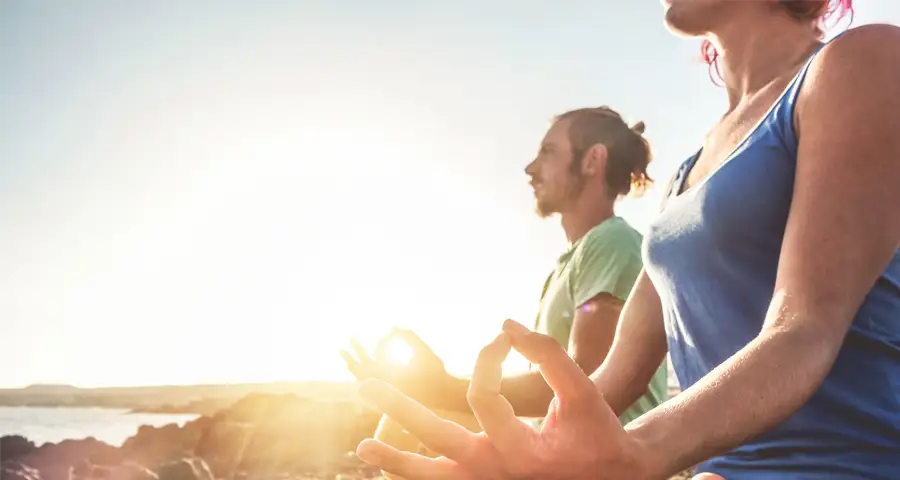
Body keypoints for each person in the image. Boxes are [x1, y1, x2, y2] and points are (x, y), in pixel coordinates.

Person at [351, 1, 900, 479]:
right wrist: (517, 454)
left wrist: (639, 452)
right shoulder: (687, 175)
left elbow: (803, 328)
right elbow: (611, 381)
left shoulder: (863, 62)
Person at [342, 107, 668, 452]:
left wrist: (444, 388)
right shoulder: (570, 264)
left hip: (606, 466)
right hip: (562, 459)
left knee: (407, 433)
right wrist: (417, 390)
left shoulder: (612, 242)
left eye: (548, 153)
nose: (531, 169)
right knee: (398, 428)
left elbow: (583, 385)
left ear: (592, 160)